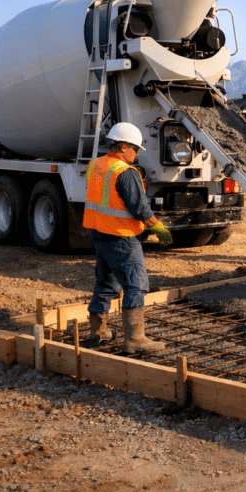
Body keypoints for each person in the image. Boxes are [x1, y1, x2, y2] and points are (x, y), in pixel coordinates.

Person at [83, 122, 173, 353]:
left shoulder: (96, 165)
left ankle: (98, 333)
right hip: (121, 237)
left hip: (99, 234)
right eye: (134, 149)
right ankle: (135, 340)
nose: (136, 155)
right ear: (123, 147)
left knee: (105, 284)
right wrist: (162, 231)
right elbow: (141, 210)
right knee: (137, 285)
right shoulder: (125, 172)